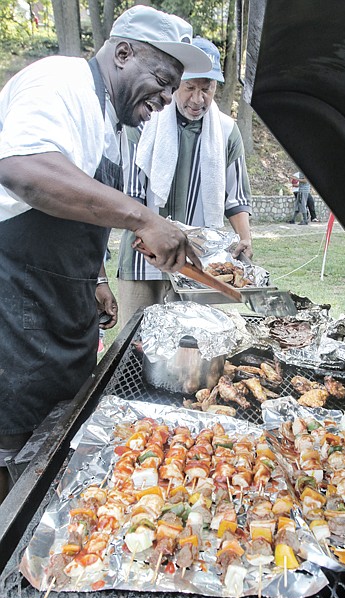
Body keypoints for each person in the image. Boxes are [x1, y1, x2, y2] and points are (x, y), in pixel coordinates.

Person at [0, 5, 211, 501]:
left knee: (49, 446)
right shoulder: (60, 82)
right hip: (13, 314)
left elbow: (77, 206)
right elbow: (25, 170)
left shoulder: (116, 127)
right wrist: (142, 217)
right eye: (162, 80)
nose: (166, 99)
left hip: (62, 311)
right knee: (10, 447)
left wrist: (94, 277)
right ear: (122, 53)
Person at [117, 37, 253, 327]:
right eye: (190, 87)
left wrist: (245, 238)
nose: (198, 98)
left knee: (200, 346)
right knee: (137, 342)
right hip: (145, 259)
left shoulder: (227, 132)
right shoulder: (144, 122)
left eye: (207, 89)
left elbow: (236, 198)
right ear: (175, 82)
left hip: (200, 263)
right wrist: (151, 238)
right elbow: (132, 196)